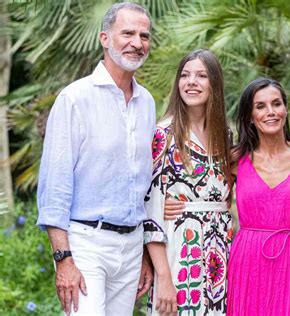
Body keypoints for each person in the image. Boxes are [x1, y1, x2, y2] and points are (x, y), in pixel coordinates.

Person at [36, 3, 155, 315]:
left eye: (144, 35)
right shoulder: (75, 98)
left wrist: (143, 253)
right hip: (87, 243)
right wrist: (64, 259)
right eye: (127, 33)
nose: (137, 42)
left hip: (131, 247)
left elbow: (142, 185)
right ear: (105, 38)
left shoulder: (147, 103)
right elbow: (55, 185)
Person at [144, 49, 232, 316]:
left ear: (214, 84)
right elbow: (152, 212)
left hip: (221, 255)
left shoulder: (225, 135)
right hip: (180, 252)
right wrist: (164, 279)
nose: (191, 82)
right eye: (185, 75)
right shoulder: (163, 134)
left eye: (201, 75)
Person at [225, 77, 290, 315]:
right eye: (260, 106)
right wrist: (174, 206)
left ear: (286, 109)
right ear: (250, 117)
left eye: (276, 104)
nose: (270, 112)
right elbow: (214, 203)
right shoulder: (235, 159)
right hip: (248, 259)